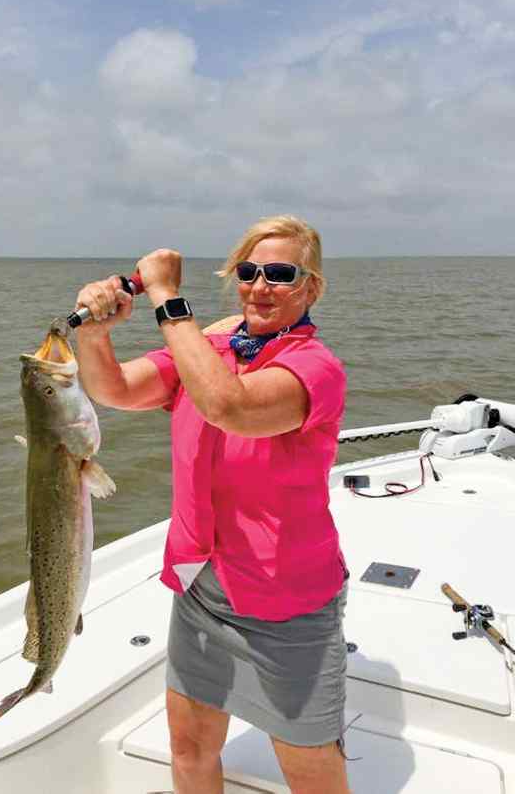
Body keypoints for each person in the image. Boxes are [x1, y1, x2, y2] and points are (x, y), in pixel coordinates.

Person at [74, 215, 349, 794]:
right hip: (201, 586)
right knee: (189, 748)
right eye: (248, 272)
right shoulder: (209, 351)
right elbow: (113, 389)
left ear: (311, 287)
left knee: (310, 774)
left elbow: (231, 408)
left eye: (280, 274)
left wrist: (165, 295)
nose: (260, 287)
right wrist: (95, 334)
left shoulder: (316, 368)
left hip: (286, 604)